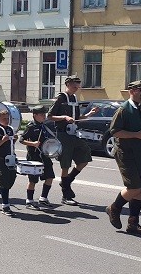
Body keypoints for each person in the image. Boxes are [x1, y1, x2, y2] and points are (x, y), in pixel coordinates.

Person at [105, 81, 141, 235]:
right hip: (126, 153)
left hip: (140, 153)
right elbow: (115, 132)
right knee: (134, 187)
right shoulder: (123, 110)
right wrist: (136, 135)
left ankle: (133, 223)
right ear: (132, 91)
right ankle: (114, 207)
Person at [46, 75, 98, 205]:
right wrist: (64, 117)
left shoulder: (74, 98)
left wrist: (89, 114)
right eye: (75, 85)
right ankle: (66, 195)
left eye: (78, 85)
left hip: (74, 134)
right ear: (68, 84)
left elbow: (77, 117)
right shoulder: (60, 98)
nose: (77, 87)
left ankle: (67, 180)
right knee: (65, 165)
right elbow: (50, 116)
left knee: (85, 157)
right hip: (63, 135)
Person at [19, 105, 55, 209]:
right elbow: (21, 140)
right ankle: (29, 200)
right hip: (34, 156)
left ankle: (43, 198)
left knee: (50, 176)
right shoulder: (31, 127)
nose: (44, 116)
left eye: (45, 114)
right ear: (35, 115)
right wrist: (33, 143)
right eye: (42, 114)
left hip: (45, 155)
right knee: (33, 180)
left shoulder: (46, 126)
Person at [0, 109, 18, 216]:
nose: (6, 120)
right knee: (4, 181)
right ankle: (6, 206)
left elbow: (10, 144)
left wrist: (13, 140)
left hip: (11, 158)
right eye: (4, 118)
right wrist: (3, 140)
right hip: (0, 159)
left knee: (11, 180)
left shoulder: (10, 129)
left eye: (8, 118)